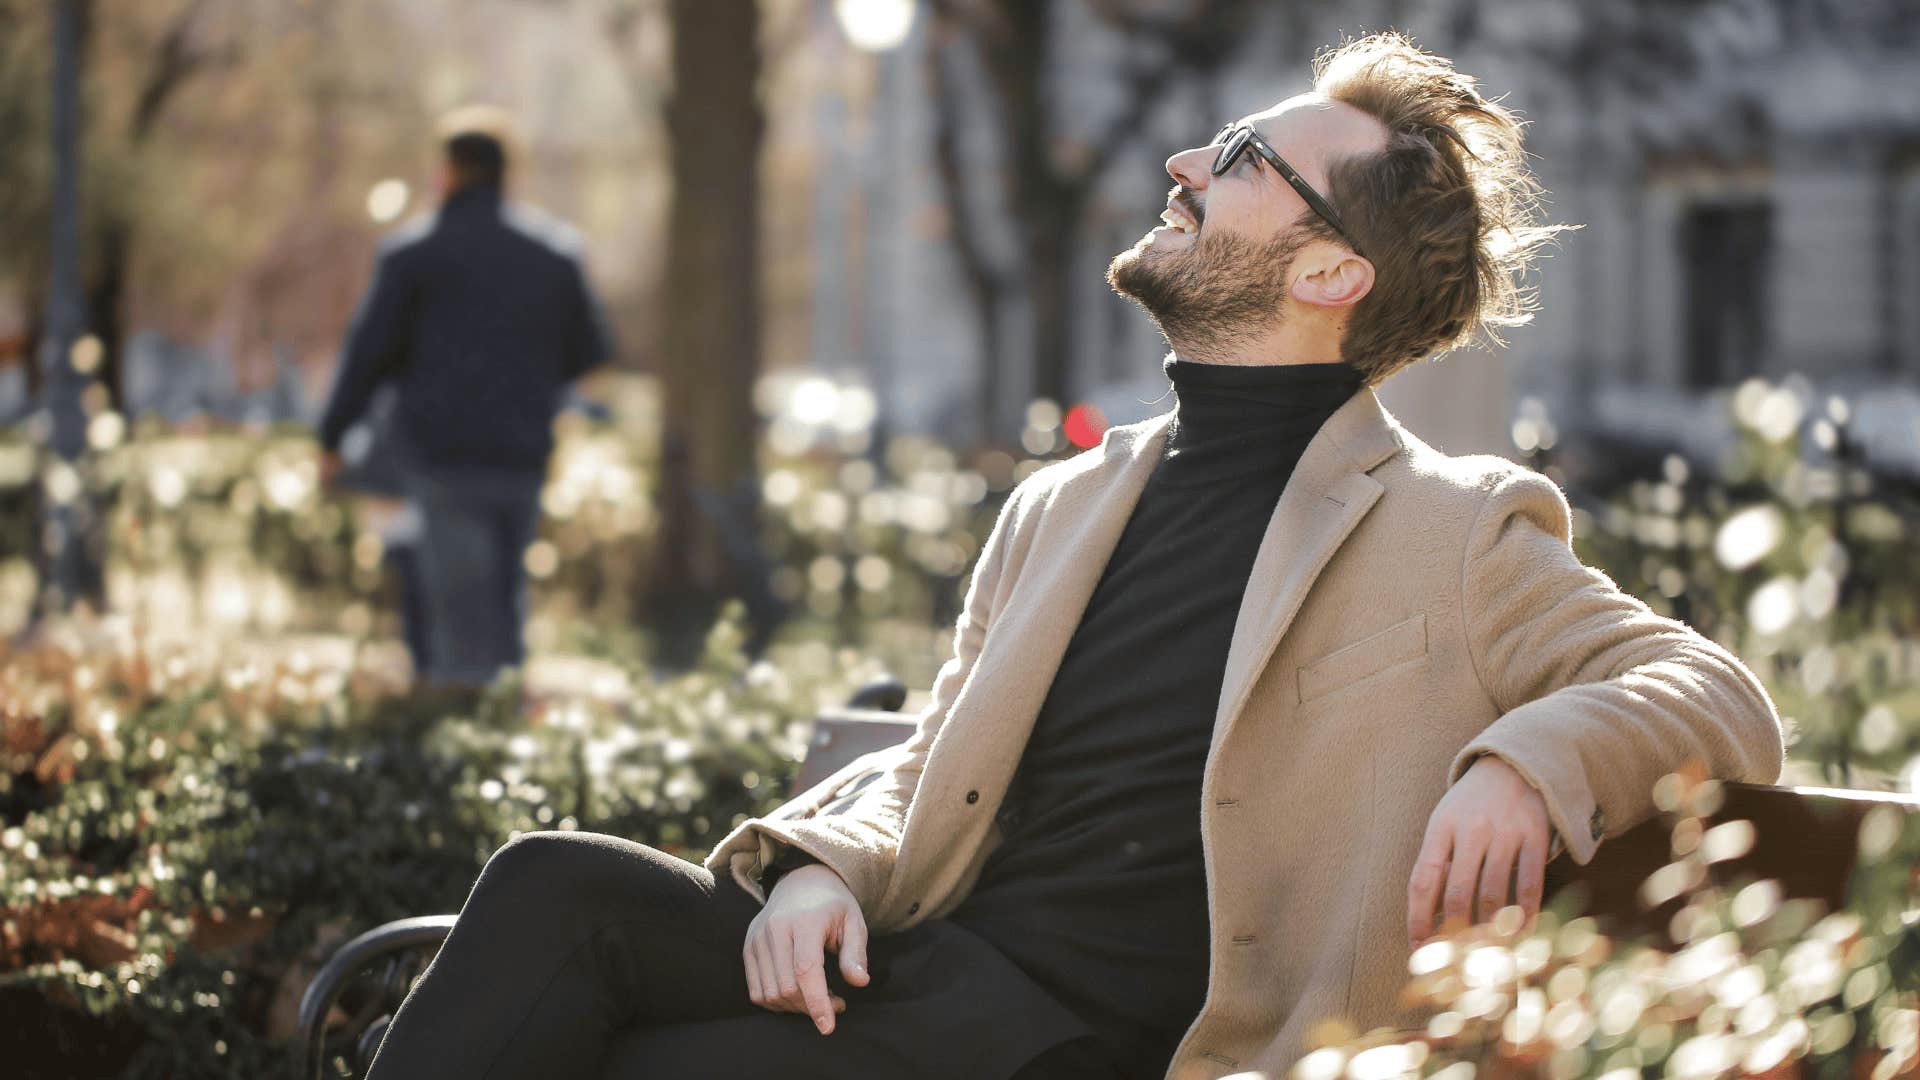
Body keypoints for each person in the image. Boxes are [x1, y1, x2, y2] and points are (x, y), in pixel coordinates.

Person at [363, 32, 1784, 1080]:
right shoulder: (1065, 503)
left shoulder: (1454, 526)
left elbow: (1716, 694)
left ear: (1328, 272)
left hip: (1099, 1045)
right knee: (555, 890)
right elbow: (930, 754)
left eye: (1238, 162)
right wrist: (821, 867)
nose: (1183, 165)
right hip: (928, 974)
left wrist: (1525, 760)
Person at [316, 105, 614, 692]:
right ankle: (505, 740)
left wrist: (331, 438)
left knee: (455, 615)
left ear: (447, 171)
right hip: (523, 458)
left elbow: (367, 356)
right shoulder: (554, 256)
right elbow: (588, 354)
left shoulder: (413, 255)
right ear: (508, 173)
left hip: (441, 458)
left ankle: (464, 751)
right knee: (504, 605)